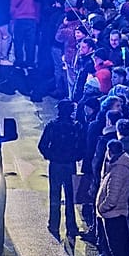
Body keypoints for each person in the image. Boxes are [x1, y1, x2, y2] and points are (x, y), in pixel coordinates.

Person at [38, 100, 83, 243]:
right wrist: (74, 157)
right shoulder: (76, 126)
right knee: (70, 197)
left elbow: (42, 145)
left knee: (54, 195)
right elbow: (82, 146)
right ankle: (71, 226)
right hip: (70, 165)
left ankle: (54, 225)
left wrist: (51, 156)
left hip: (55, 165)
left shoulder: (52, 125)